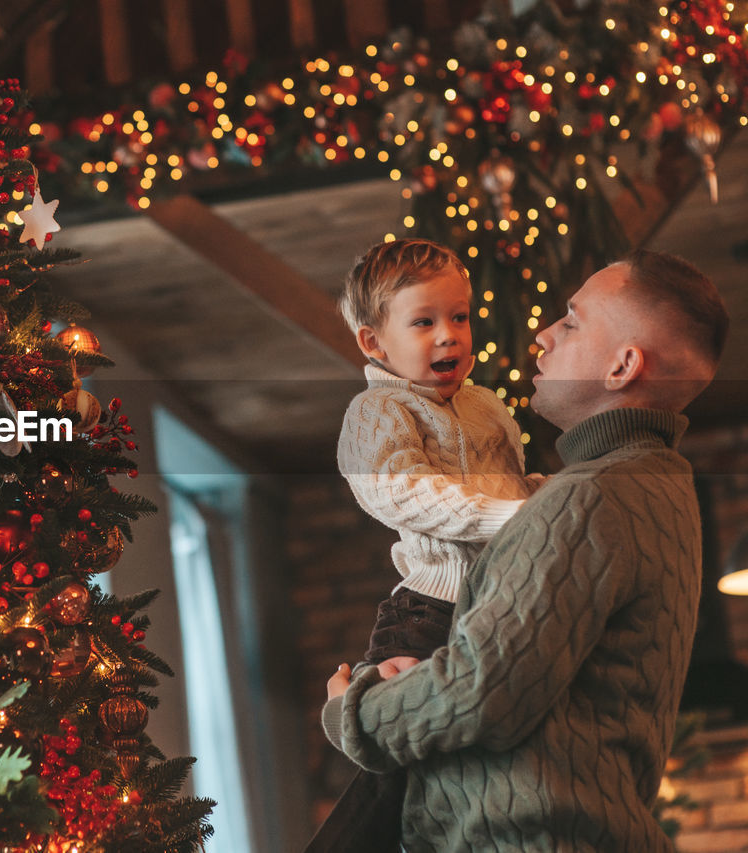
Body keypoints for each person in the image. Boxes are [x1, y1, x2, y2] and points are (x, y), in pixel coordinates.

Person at [322, 249, 729, 852]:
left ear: (623, 366)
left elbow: (481, 690)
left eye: (570, 320)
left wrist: (351, 711)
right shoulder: (657, 488)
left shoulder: (589, 498)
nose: (543, 332)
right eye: (423, 321)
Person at [308, 239, 542, 852]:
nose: (449, 336)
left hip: (498, 605)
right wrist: (518, 519)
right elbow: (404, 494)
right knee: (393, 776)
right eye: (424, 322)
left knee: (464, 772)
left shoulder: (487, 405)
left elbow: (515, 488)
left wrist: (553, 500)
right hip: (429, 614)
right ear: (372, 342)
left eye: (459, 317)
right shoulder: (378, 410)